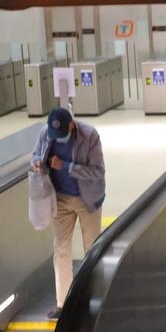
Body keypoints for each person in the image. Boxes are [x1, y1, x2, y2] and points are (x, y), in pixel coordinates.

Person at [31, 107, 105, 319]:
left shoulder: (89, 135)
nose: (58, 139)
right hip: (60, 199)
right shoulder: (46, 133)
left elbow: (98, 171)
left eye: (62, 134)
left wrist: (67, 166)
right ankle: (63, 303)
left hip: (87, 199)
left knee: (92, 249)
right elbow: (36, 153)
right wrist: (37, 163)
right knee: (61, 250)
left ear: (72, 125)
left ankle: (95, 298)